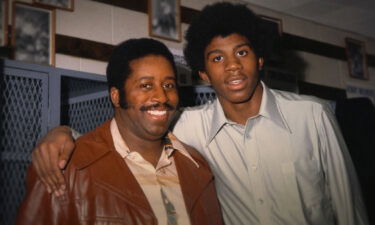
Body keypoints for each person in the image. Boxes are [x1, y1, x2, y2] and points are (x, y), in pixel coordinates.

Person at [31, 2, 369, 225]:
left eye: (242, 52)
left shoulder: (313, 116)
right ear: (204, 75)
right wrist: (64, 135)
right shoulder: (189, 125)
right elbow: (130, 130)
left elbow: (349, 207)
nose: (233, 65)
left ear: (260, 58)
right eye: (217, 58)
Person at [15, 38, 223, 225]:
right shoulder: (63, 168)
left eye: (168, 84)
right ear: (116, 96)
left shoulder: (197, 165)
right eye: (146, 85)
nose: (162, 96)